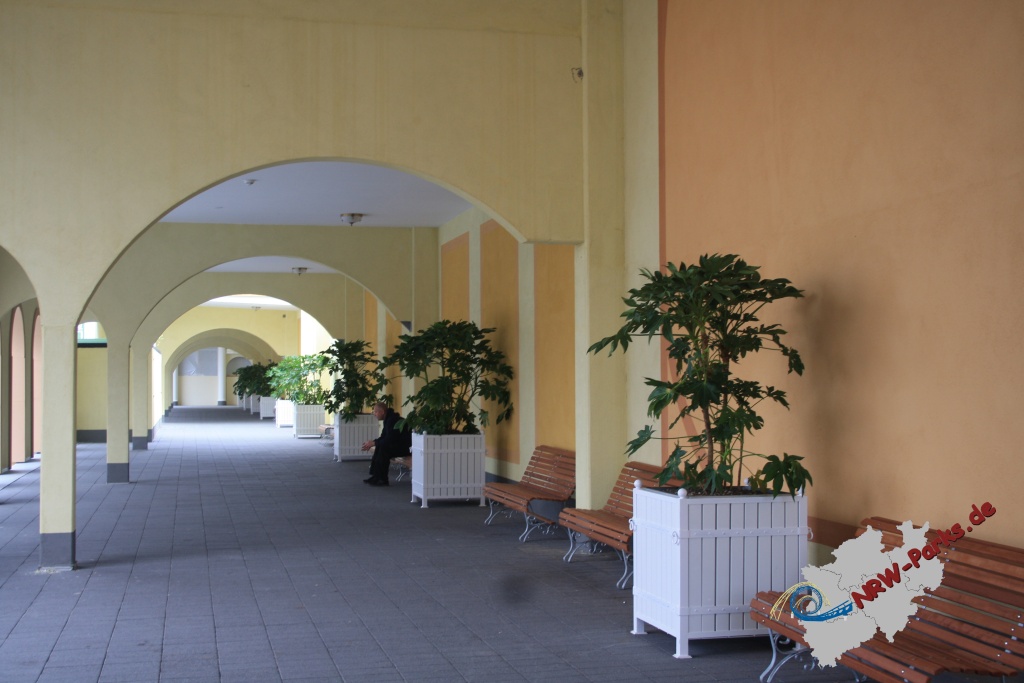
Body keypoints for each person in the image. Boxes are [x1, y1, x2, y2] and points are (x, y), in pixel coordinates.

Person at [361, 401, 411, 486]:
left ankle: (382, 479)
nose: (374, 414)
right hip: (398, 445)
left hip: (407, 448)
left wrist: (374, 443)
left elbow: (389, 439)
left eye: (376, 412)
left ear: (382, 412)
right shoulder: (389, 419)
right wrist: (373, 442)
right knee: (380, 446)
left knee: (383, 449)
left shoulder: (392, 420)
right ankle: (376, 476)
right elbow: (384, 437)